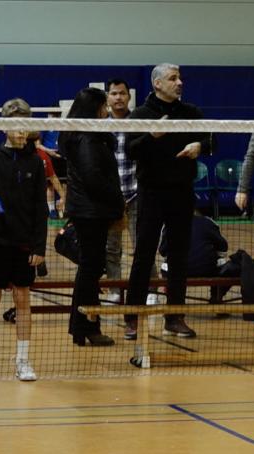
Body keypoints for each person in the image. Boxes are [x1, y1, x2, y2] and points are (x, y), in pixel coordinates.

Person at [124, 63, 212, 340]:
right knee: (144, 254)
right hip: (151, 193)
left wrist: (201, 146)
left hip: (182, 192)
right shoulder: (140, 115)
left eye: (180, 78)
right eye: (173, 78)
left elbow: (212, 139)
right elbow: (130, 150)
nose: (180, 82)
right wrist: (152, 136)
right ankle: (132, 317)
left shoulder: (191, 112)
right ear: (158, 83)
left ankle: (175, 317)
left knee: (178, 256)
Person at [0, 98, 48, 382]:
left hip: (24, 244)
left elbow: (41, 207)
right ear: (4, 127)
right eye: (16, 124)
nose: (21, 130)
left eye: (26, 124)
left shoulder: (36, 162)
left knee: (22, 299)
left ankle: (23, 361)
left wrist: (39, 246)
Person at [62, 87, 125, 347]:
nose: (106, 111)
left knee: (90, 267)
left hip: (90, 210)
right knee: (91, 268)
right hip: (91, 213)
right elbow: (94, 178)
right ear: (94, 109)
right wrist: (118, 204)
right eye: (103, 107)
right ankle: (86, 326)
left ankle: (82, 327)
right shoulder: (87, 138)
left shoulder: (87, 135)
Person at [103, 78, 156, 305]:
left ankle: (152, 289)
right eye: (114, 93)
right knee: (111, 247)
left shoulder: (138, 120)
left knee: (142, 245)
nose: (118, 97)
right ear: (107, 97)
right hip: (110, 197)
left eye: (122, 93)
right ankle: (115, 290)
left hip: (136, 194)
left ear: (129, 96)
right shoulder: (100, 124)